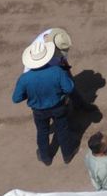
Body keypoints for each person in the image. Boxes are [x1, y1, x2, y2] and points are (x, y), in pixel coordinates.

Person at [12, 37, 75, 166]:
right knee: (62, 130)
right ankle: (67, 155)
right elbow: (69, 88)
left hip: (39, 110)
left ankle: (46, 158)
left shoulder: (25, 79)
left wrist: (29, 95)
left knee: (42, 132)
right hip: (58, 106)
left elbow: (16, 98)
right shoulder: (57, 71)